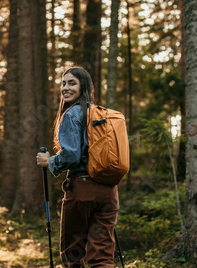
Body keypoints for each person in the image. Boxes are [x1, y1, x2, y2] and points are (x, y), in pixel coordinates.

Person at [36, 66, 119, 268]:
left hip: (82, 189)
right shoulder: (102, 115)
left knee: (73, 254)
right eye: (63, 83)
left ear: (84, 86)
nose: (65, 88)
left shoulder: (72, 114)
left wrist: (50, 161)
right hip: (109, 191)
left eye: (72, 83)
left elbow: (72, 156)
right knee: (102, 258)